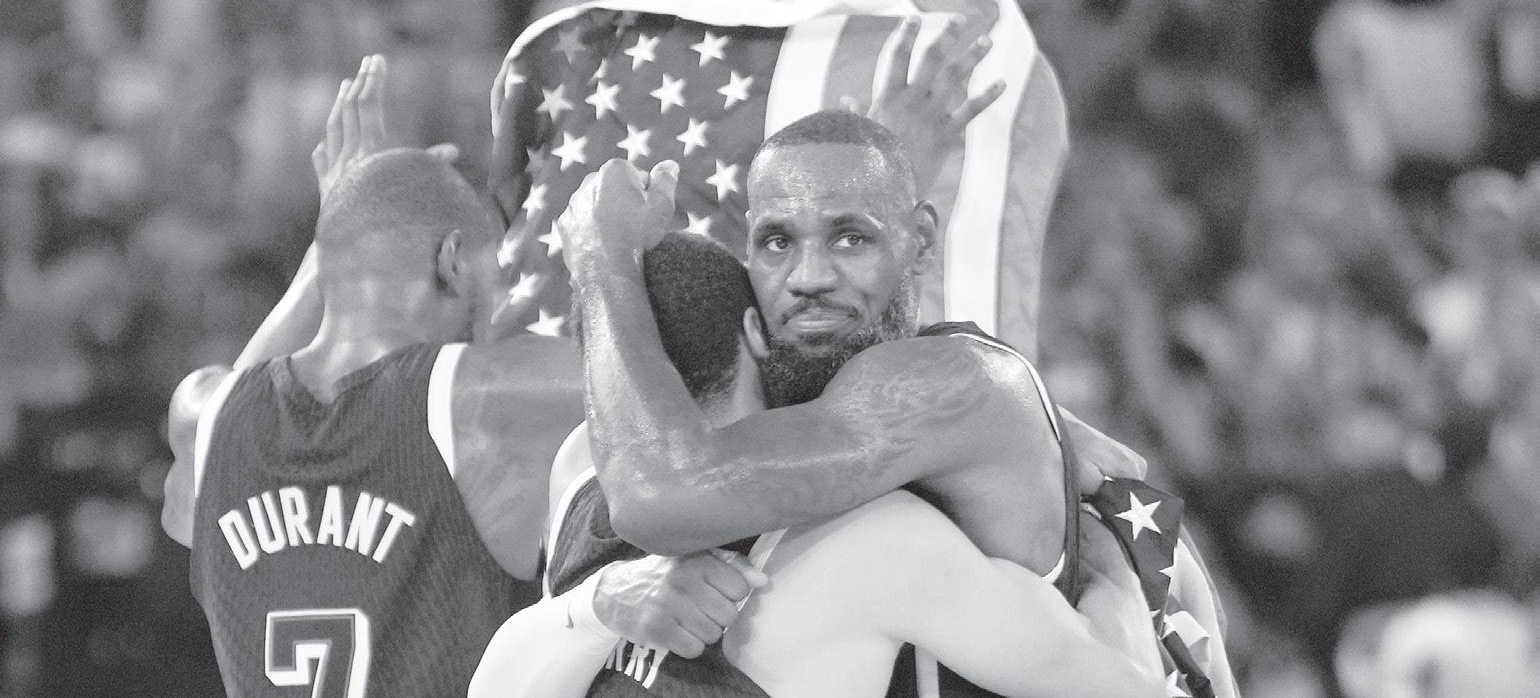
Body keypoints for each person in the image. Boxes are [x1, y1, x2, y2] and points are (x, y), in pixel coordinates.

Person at [555, 110, 1236, 697]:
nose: (809, 277)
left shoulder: (947, 383)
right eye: (778, 242)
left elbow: (657, 498)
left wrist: (600, 260)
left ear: (921, 241)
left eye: (850, 237)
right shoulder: (830, 399)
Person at [159, 56, 757, 697]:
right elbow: (673, 388)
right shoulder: (485, 399)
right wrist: (609, 257)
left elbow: (217, 448)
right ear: (451, 260)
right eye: (493, 279)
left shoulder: (203, 415)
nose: (497, 311)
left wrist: (327, 244)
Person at [470, 232, 1166, 697]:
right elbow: (1127, 685)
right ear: (754, 332)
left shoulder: (578, 473)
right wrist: (1107, 548)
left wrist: (596, 603)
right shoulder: (871, 539)